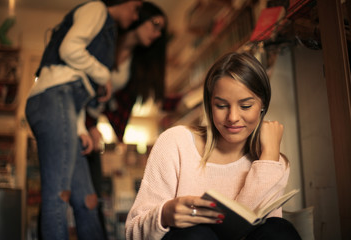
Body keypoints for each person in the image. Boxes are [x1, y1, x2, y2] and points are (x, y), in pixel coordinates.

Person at [125, 52, 301, 240]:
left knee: (278, 229)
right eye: (221, 105)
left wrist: (269, 158)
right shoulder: (175, 143)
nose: (232, 117)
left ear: (262, 106)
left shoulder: (272, 161)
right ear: (209, 105)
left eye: (246, 106)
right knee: (197, 235)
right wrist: (164, 215)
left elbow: (250, 231)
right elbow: (132, 233)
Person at [25, 1, 142, 240]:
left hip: (63, 102)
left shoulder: (108, 26)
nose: (136, 14)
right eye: (136, 6)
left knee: (87, 200)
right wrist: (104, 75)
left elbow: (75, 91)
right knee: (58, 195)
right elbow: (70, 49)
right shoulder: (97, 9)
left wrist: (80, 128)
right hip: (54, 97)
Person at [84, 1, 168, 236]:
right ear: (140, 16)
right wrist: (88, 125)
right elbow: (80, 84)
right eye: (155, 24)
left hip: (89, 124)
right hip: (74, 118)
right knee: (69, 194)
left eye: (161, 30)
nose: (157, 33)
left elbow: (117, 102)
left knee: (93, 195)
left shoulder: (135, 64)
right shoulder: (104, 41)